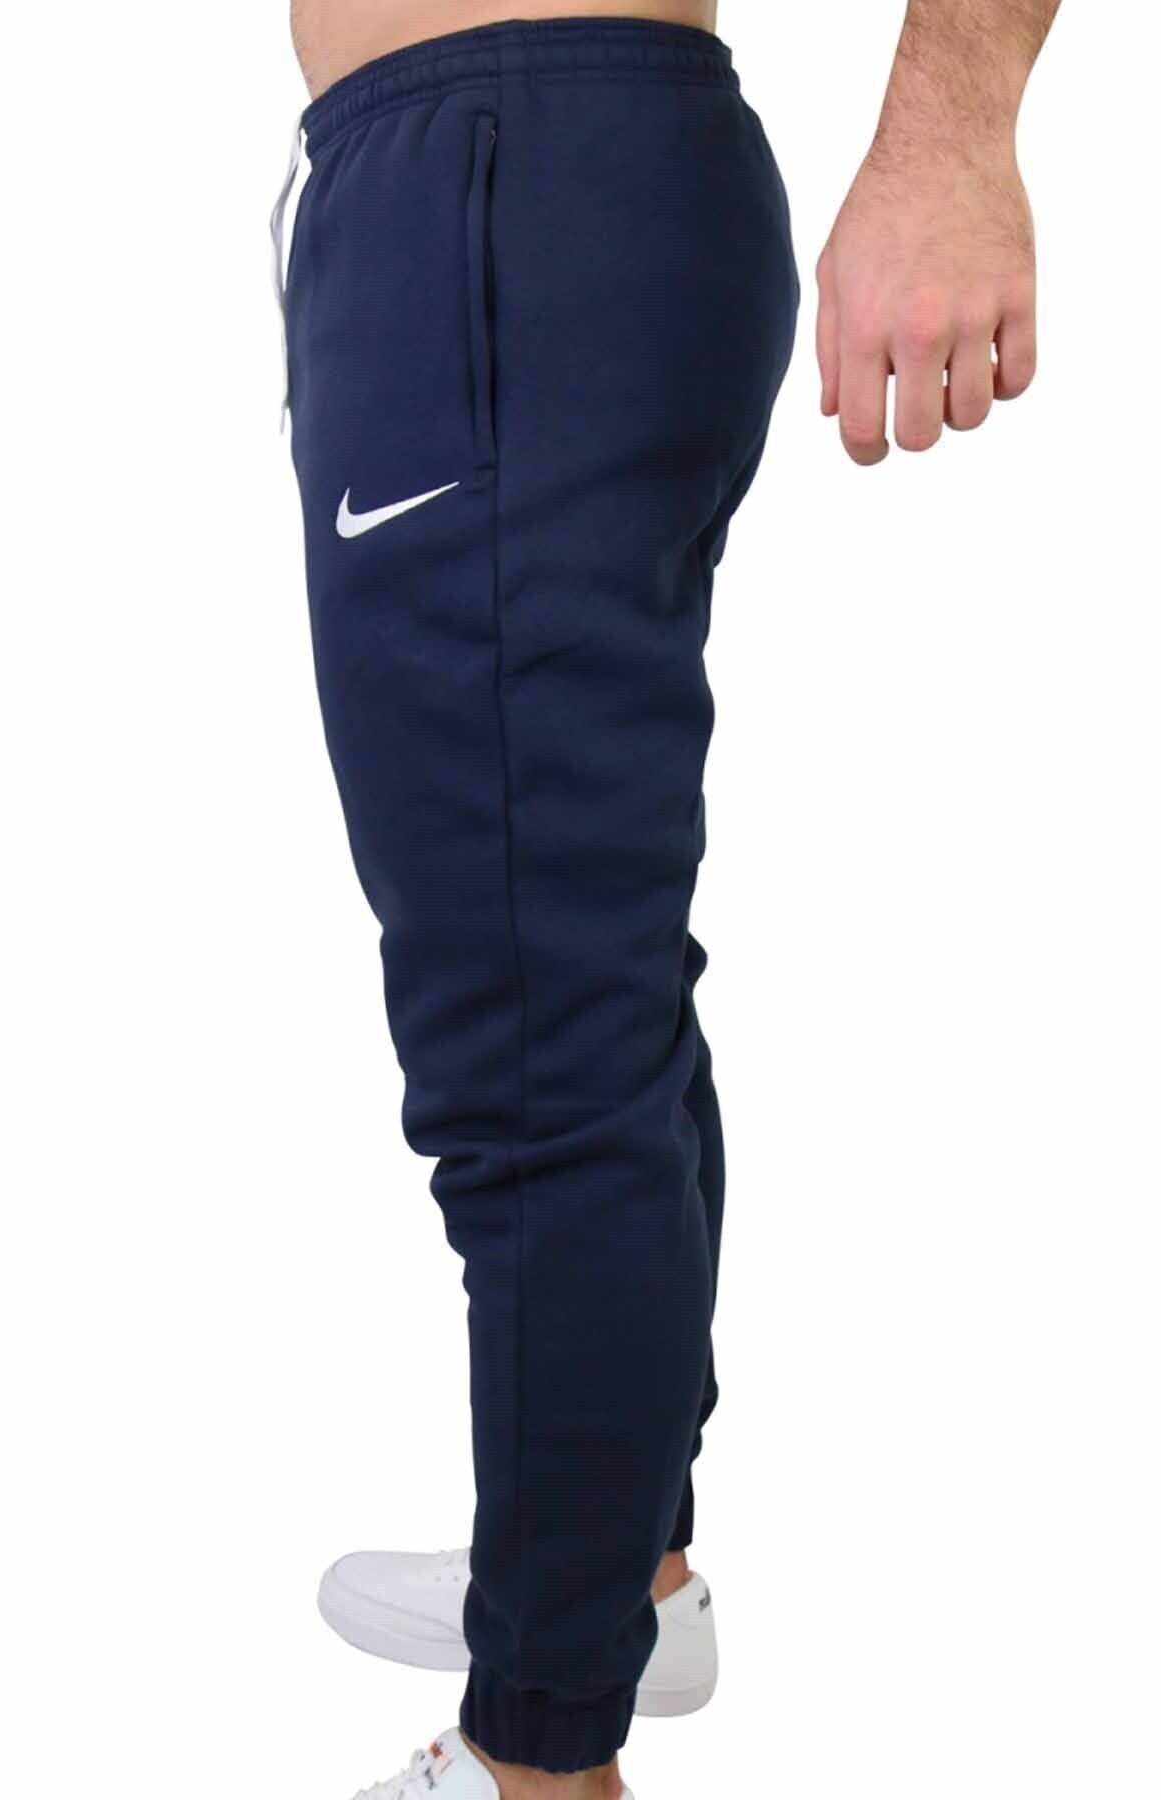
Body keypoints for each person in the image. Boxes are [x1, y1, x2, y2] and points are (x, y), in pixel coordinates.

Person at [274, 3, 1062, 1794]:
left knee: (531, 1032)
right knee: (581, 967)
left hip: (502, 178)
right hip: (498, 178)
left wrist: (951, 136)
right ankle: (608, 1566)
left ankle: (540, 1755)